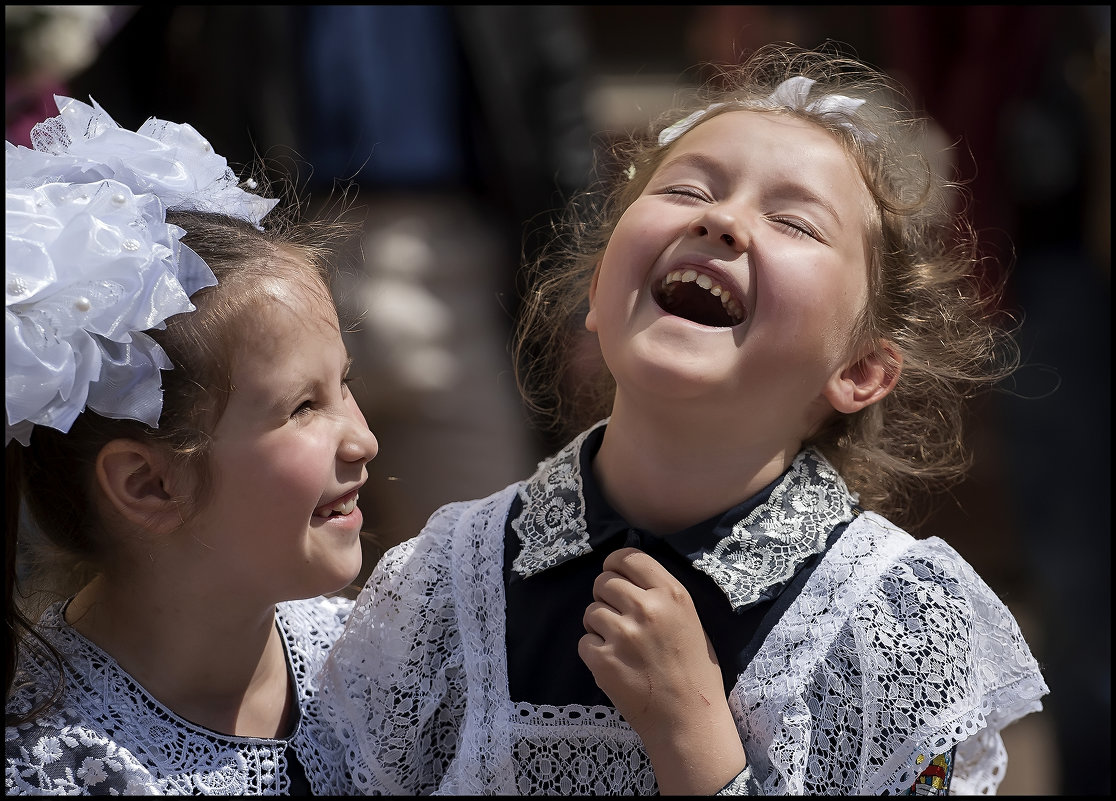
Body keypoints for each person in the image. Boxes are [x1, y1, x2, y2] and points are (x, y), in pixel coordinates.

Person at [316, 42, 1050, 795]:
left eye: (795, 222)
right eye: (688, 190)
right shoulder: (441, 583)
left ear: (860, 370)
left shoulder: (895, 626)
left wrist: (694, 737)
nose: (723, 220)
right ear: (598, 292)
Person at [5, 96, 377, 794]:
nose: (363, 439)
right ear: (150, 484)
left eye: (344, 386)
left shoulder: (379, 665)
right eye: (304, 407)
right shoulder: (51, 768)